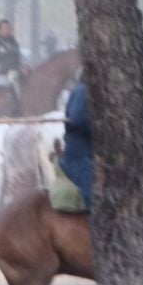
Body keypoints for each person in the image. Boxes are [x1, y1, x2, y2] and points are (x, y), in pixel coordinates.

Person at [59, 79, 93, 211]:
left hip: (90, 154)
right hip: (81, 156)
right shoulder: (83, 90)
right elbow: (78, 118)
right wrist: (106, 127)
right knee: (96, 197)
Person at [0, 19, 23, 87]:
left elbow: (20, 57)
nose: (7, 31)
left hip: (16, 75)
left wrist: (24, 65)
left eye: (9, 28)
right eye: (4, 28)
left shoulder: (14, 43)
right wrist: (0, 67)